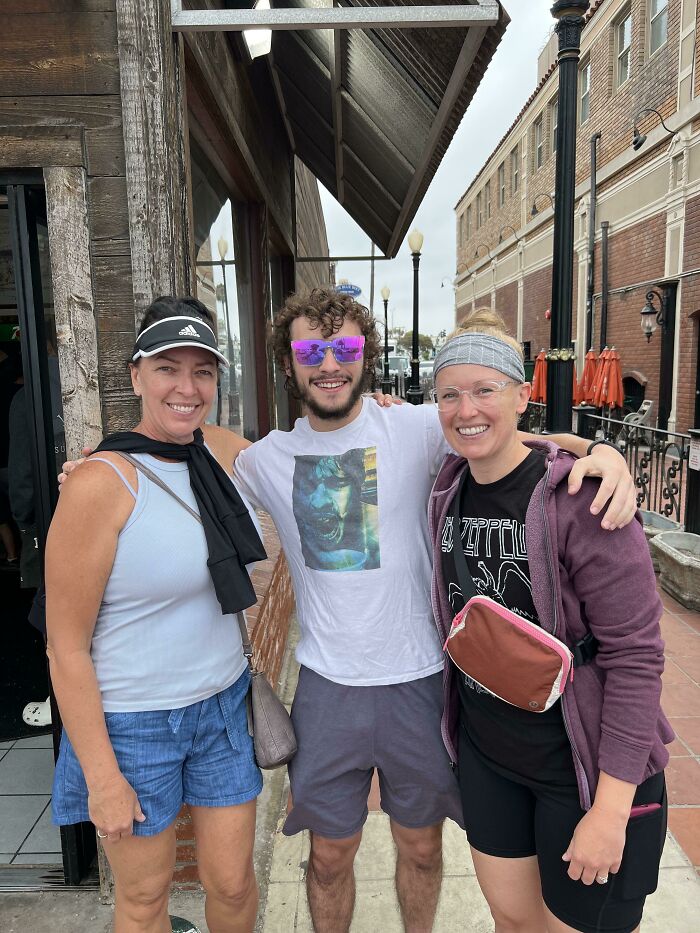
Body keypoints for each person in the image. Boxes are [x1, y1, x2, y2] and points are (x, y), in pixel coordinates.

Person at [62, 288, 637, 933]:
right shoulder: (266, 457)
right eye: (311, 349)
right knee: (330, 856)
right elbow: (185, 435)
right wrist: (100, 457)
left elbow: (523, 438)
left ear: (366, 355)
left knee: (421, 846)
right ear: (288, 363)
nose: (329, 363)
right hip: (327, 689)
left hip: (419, 682)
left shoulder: (419, 428)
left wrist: (602, 456)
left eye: (345, 348)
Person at [427, 308, 672, 933]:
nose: (466, 409)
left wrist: (612, 810)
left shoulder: (585, 500)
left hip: (581, 764)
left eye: (485, 390)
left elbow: (636, 655)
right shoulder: (447, 486)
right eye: (450, 394)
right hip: (490, 755)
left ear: (521, 395)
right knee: (513, 918)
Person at [47, 296, 267, 933]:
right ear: (136, 374)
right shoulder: (100, 482)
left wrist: (557, 444)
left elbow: (323, 453)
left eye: (202, 371)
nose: (186, 387)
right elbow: (65, 647)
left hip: (222, 709)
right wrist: (102, 776)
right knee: (144, 903)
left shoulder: (218, 451)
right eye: (168, 367)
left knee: (232, 883)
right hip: (133, 725)